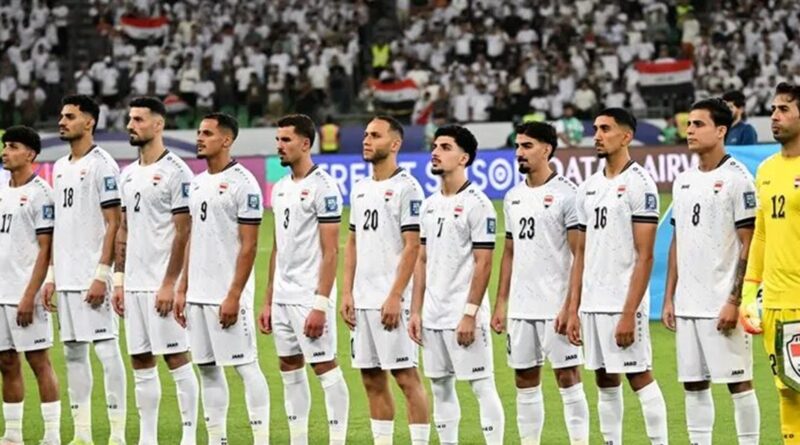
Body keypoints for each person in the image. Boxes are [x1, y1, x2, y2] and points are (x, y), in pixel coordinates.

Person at [565, 108, 669, 445]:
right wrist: (574, 308)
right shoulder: (588, 187)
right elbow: (580, 253)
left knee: (639, 376)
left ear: (626, 136)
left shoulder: (640, 183)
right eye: (596, 128)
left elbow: (646, 255)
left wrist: (628, 313)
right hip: (592, 303)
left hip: (622, 301)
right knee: (604, 379)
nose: (597, 135)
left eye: (606, 129)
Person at [662, 98, 760, 445]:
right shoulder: (684, 180)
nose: (689, 130)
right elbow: (678, 240)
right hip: (688, 303)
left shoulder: (738, 179)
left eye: (698, 124)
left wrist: (734, 300)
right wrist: (669, 297)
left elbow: (749, 243)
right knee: (693, 385)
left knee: (738, 382)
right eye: (689, 124)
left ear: (721, 131)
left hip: (721, 303)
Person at [174, 112, 270, 445]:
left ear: (226, 140)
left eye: (207, 133)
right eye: (199, 132)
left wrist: (234, 295)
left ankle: (261, 440)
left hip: (227, 295)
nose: (199, 138)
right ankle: (218, 440)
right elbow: (193, 238)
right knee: (207, 368)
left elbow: (250, 245)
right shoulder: (197, 182)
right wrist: (183, 287)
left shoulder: (244, 183)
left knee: (246, 366)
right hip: (197, 294)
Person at [491, 121, 590, 445]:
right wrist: (501, 303)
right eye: (517, 146)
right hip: (522, 307)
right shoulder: (513, 196)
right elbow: (509, 252)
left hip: (555, 306)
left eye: (527, 146)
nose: (519, 152)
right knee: (524, 379)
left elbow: (579, 254)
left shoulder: (567, 194)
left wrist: (571, 307)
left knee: (568, 377)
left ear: (547, 149)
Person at [408, 125, 505, 445]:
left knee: (482, 385)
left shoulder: (478, 205)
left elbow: (484, 263)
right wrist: (416, 311)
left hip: (463, 314)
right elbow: (422, 260)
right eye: (435, 146)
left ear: (464, 158)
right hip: (432, 315)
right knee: (440, 386)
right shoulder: (429, 204)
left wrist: (469, 313)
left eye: (445, 147)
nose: (435, 152)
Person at [258, 114, 350, 445]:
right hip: (282, 297)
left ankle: (337, 440)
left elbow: (331, 252)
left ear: (305, 143)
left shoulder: (323, 187)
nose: (279, 146)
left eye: (286, 140)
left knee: (325, 367)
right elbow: (277, 248)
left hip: (309, 296)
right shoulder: (281, 187)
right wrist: (268, 300)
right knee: (289, 367)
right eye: (277, 140)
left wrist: (320, 304)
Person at [113, 97, 199, 444]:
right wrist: (119, 280)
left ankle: (189, 437)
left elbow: (184, 232)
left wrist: (170, 284)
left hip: (162, 283)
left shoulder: (177, 172)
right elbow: (123, 229)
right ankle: (147, 438)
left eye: (138, 119)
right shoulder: (127, 174)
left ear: (158, 125)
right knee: (140, 361)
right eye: (130, 118)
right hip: (134, 283)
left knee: (177, 358)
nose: (130, 125)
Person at [340, 116, 430, 445]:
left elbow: (412, 246)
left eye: (375, 135)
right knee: (371, 379)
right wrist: (346, 292)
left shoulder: (408, 188)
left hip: (392, 300)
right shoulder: (361, 188)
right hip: (363, 300)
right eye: (365, 134)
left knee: (406, 377)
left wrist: (395, 295)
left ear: (395, 144)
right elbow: (352, 243)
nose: (366, 140)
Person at [44, 94, 127, 445]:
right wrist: (51, 276)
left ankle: (117, 435)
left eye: (70, 116)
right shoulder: (60, 166)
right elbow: (59, 226)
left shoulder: (102, 165)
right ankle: (82, 434)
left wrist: (102, 274)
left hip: (93, 275)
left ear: (89, 122)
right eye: (62, 116)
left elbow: (114, 223)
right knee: (73, 353)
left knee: (106, 351)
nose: (62, 121)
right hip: (66, 277)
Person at [741, 82, 800, 444]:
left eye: (784, 109)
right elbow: (761, 235)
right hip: (775, 303)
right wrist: (749, 292)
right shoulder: (765, 169)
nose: (774, 116)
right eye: (774, 109)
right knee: (786, 390)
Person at [0, 126, 61, 444]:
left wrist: (29, 295)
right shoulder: (1, 190)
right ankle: (12, 435)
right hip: (0, 292)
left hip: (27, 294)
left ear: (30, 154)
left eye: (13, 146)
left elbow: (45, 249)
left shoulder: (41, 194)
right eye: (4, 146)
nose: (5, 151)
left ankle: (51, 435)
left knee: (39, 361)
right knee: (6, 362)